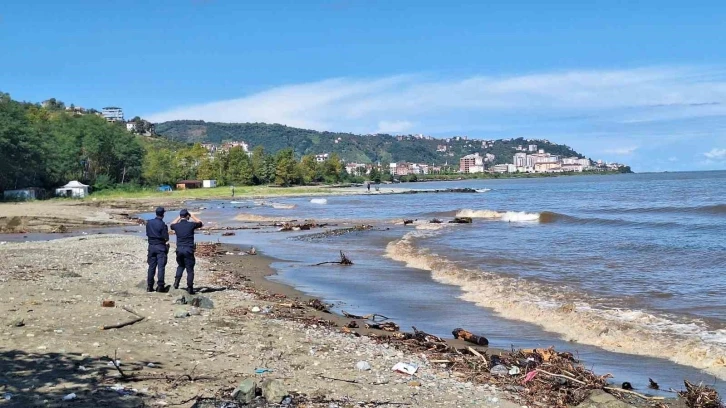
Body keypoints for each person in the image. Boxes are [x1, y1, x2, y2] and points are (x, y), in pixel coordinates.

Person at [170, 209, 204, 294]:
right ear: (187, 216)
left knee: (181, 266)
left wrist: (179, 217)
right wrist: (192, 215)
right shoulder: (191, 225)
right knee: (190, 269)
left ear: (181, 216)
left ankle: (176, 283)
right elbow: (200, 223)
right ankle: (190, 287)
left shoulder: (177, 226)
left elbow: (171, 225)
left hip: (179, 249)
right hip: (188, 249)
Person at [145, 207, 170, 292]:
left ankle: (149, 286)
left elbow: (148, 234)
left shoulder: (149, 223)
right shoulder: (162, 224)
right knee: (161, 267)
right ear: (163, 214)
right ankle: (160, 286)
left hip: (151, 246)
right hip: (160, 247)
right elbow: (166, 238)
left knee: (151, 267)